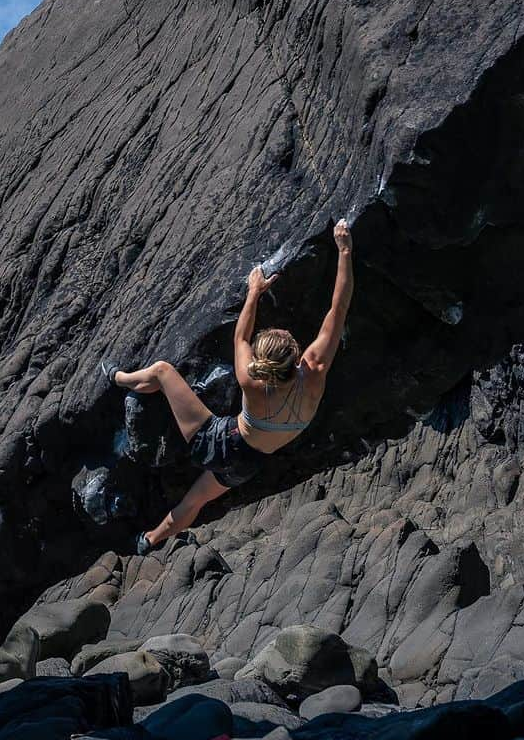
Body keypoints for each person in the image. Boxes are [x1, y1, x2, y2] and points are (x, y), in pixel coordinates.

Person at [101, 220, 354, 556]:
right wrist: (345, 251)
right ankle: (147, 541)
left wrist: (254, 291)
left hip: (219, 441)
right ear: (296, 357)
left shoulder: (252, 381)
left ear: (265, 366)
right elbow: (338, 310)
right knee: (195, 500)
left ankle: (118, 379)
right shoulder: (314, 374)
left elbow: (241, 337)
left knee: (163, 371)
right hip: (249, 463)